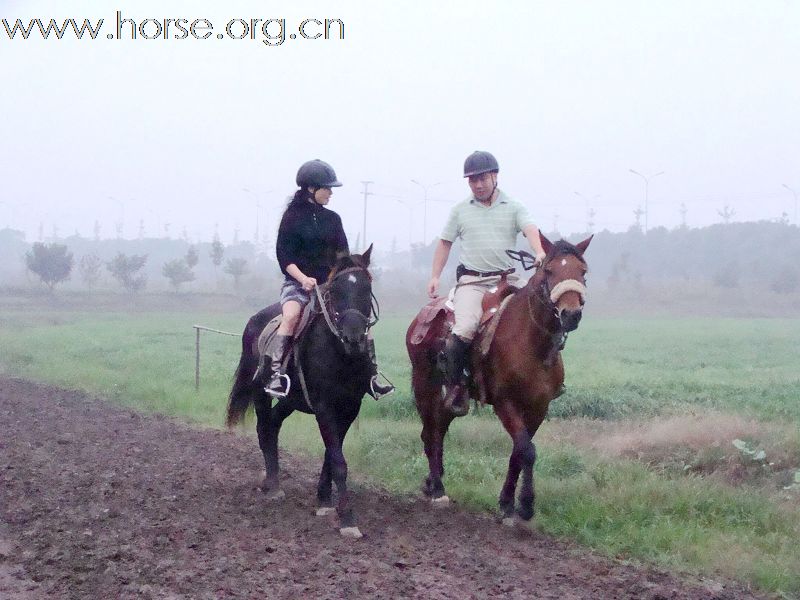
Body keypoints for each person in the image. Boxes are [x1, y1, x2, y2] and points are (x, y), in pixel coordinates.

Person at [427, 151, 546, 416]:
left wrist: (539, 251)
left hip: (509, 279)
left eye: (482, 178)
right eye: (472, 180)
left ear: (494, 176)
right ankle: (457, 387)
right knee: (465, 328)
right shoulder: (459, 211)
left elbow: (530, 229)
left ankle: (549, 377)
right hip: (473, 282)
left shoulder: (514, 207)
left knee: (541, 313)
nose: (477, 184)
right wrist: (435, 275)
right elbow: (445, 243)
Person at [267, 159, 394, 399]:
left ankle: (372, 376)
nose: (331, 193)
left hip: (330, 287)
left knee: (360, 319)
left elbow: (342, 257)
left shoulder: (333, 219)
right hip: (297, 285)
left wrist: (349, 274)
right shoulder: (291, 218)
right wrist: (304, 279)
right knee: (292, 316)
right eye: (328, 188)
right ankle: (275, 376)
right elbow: (284, 258)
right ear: (311, 189)